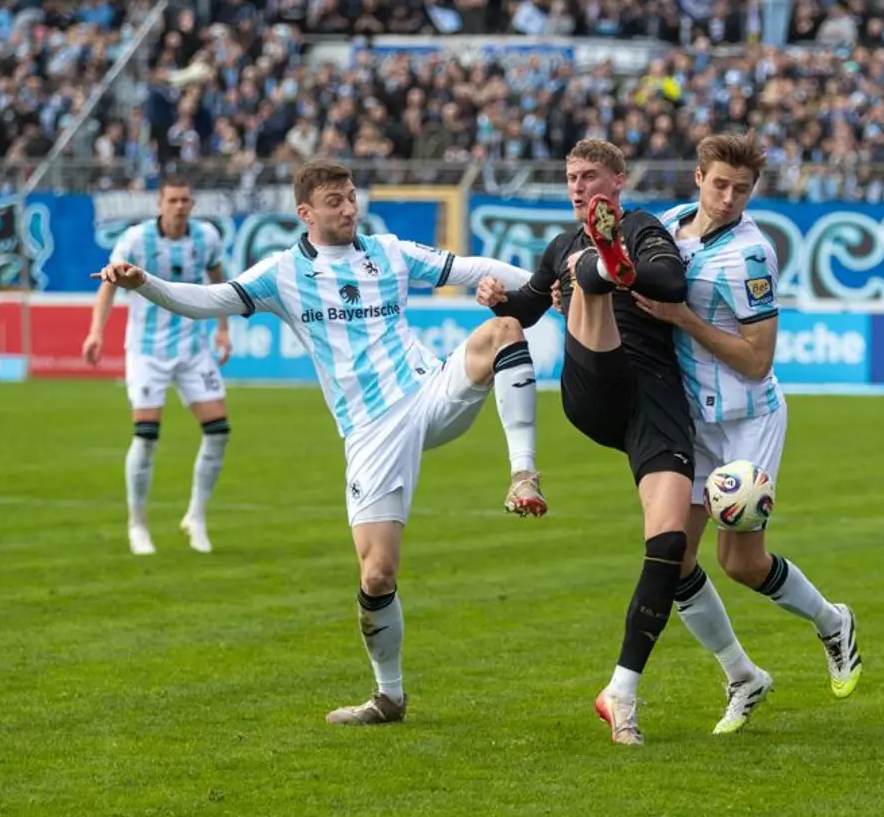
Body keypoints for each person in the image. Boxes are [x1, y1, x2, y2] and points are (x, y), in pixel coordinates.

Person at [93, 159, 546, 726]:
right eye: (335, 200)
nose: (349, 208)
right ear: (305, 212)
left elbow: (471, 265)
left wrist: (538, 286)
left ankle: (523, 473)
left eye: (352, 196)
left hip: (428, 391)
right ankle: (389, 697)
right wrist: (146, 285)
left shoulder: (389, 252)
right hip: (371, 430)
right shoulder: (282, 274)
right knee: (377, 575)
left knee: (506, 329)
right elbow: (209, 298)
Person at [633, 133, 860, 735]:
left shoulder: (751, 256)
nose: (730, 197)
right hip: (691, 417)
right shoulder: (670, 224)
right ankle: (742, 675)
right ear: (698, 176)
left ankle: (832, 622)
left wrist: (682, 316)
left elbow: (758, 359)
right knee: (672, 556)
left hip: (745, 419)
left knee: (739, 562)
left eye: (742, 189)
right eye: (720, 184)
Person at [476, 138, 694, 746]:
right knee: (585, 278)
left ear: (619, 181)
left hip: (653, 400)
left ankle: (621, 691)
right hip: (594, 389)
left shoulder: (647, 227)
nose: (578, 186)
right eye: (571, 177)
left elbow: (671, 283)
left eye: (590, 176)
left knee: (671, 546)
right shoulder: (562, 248)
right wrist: (499, 298)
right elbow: (525, 307)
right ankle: (605, 270)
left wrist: (627, 265)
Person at [82, 177, 233, 555]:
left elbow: (219, 279)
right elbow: (110, 283)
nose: (179, 206)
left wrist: (223, 328)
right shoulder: (136, 240)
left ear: (192, 204)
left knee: (219, 431)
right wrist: (96, 332)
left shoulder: (207, 238)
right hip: (147, 350)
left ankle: (195, 517)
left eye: (185, 199)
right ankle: (138, 524)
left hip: (193, 347)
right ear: (160, 204)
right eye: (173, 200)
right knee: (147, 437)